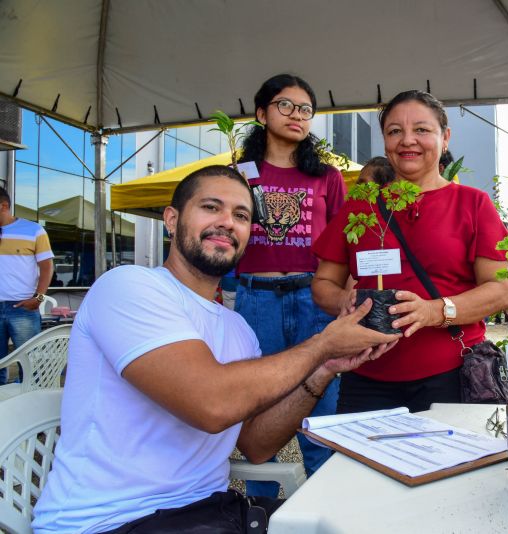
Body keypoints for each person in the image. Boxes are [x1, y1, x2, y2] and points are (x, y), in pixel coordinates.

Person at [32, 165, 398, 533]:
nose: (227, 222)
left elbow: (255, 444)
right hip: (113, 521)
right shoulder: (128, 286)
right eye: (211, 207)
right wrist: (321, 345)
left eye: (241, 215)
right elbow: (211, 404)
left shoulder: (237, 328)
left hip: (209, 513)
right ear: (171, 220)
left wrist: (325, 368)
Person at [312, 90, 508, 414]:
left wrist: (435, 311)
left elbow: (501, 291)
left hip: (450, 375)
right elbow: (323, 282)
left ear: (445, 138)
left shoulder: (473, 203)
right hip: (366, 377)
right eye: (395, 131)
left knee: (450, 465)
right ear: (385, 140)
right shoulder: (360, 207)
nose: (407, 140)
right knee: (363, 464)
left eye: (421, 129)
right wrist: (341, 301)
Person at [235, 74, 346, 497]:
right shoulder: (242, 172)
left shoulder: (327, 178)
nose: (296, 115)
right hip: (254, 297)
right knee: (258, 407)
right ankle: (258, 514)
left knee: (321, 415)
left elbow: (343, 244)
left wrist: (342, 298)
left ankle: (325, 511)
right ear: (262, 113)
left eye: (304, 109)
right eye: (285, 106)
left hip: (313, 298)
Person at [0, 186, 54, 384]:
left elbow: (47, 266)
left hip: (22, 308)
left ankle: (31, 408)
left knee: (31, 365)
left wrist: (38, 298)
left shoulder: (33, 230)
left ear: (3, 206)